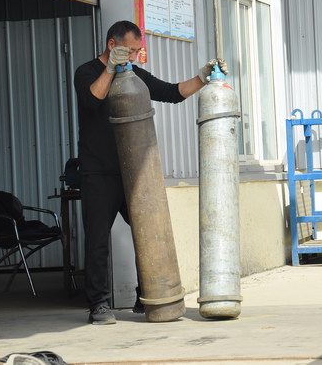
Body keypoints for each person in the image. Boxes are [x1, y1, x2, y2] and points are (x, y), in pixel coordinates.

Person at [74, 20, 227, 325]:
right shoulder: (86, 72)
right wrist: (110, 69)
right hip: (98, 173)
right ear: (112, 45)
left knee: (149, 233)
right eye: (129, 51)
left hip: (133, 173)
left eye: (136, 51)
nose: (133, 57)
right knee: (98, 241)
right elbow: (92, 100)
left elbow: (172, 92)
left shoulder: (134, 76)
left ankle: (147, 294)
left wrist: (202, 77)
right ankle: (98, 305)